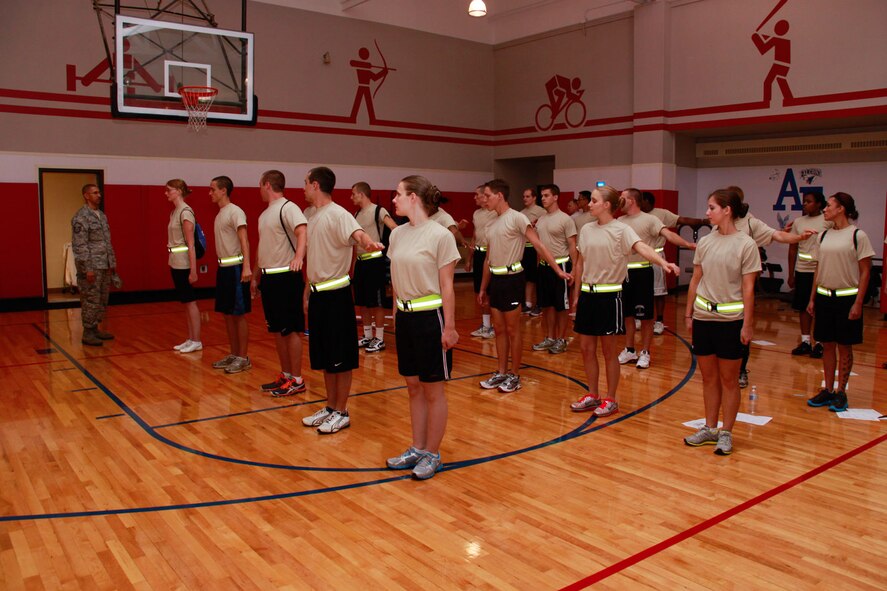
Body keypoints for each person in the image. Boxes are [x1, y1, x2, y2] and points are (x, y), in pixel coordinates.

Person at [570, 186, 678, 418]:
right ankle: (592, 395)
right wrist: (577, 294)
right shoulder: (587, 229)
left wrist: (663, 263)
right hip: (588, 295)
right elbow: (580, 263)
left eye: (594, 201)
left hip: (610, 297)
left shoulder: (621, 230)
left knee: (609, 352)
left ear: (607, 205)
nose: (589, 204)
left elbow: (642, 248)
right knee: (586, 349)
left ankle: (611, 398)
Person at [385, 175, 460, 480]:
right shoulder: (397, 235)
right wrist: (395, 319)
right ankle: (417, 447)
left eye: (398, 194)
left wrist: (450, 327)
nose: (394, 200)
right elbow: (396, 280)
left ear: (413, 197)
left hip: (432, 319)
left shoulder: (440, 235)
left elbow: (447, 285)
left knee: (433, 389)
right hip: (405, 318)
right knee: (413, 386)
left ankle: (432, 453)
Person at [301, 166, 383, 434]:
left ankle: (342, 410)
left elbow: (358, 235)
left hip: (336, 296)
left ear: (315, 185)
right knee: (325, 357)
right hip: (317, 294)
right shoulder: (311, 216)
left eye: (305, 183)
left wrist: (368, 242)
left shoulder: (339, 214)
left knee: (340, 357)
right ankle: (330, 407)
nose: (303, 188)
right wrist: (307, 292)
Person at [682, 189, 760, 456]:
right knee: (708, 379)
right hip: (704, 319)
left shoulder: (746, 244)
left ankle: (726, 432)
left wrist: (747, 324)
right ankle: (709, 428)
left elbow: (749, 289)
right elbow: (696, 280)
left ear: (727, 210)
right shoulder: (705, 242)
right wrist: (688, 313)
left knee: (729, 380)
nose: (707, 213)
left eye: (711, 207)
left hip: (731, 321)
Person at [478, 179, 571, 393]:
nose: (485, 199)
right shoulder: (491, 224)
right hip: (496, 281)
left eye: (488, 195)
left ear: (499, 196)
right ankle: (501, 372)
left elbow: (539, 244)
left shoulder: (517, 218)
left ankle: (514, 374)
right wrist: (483, 288)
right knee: (499, 329)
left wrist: (557, 270)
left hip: (513, 280)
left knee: (512, 330)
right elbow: (487, 260)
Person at [725, 185, 813, 388]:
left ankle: (741, 371)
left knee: (741, 330)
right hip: (719, 287)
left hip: (741, 286)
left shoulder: (750, 223)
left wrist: (798, 238)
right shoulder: (717, 226)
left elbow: (777, 236)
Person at [806, 192, 874, 412]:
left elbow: (865, 272)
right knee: (826, 345)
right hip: (824, 297)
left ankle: (841, 392)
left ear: (841, 209)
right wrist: (812, 298)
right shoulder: (823, 236)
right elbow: (818, 268)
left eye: (829, 206)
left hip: (847, 298)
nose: (825, 209)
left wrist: (858, 302)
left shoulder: (858, 235)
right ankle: (828, 389)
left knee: (845, 346)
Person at [617, 188, 697, 369]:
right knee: (628, 315)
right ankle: (630, 349)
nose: (619, 201)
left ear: (631, 200)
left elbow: (668, 235)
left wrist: (687, 244)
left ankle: (645, 352)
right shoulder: (619, 222)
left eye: (622, 198)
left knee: (645, 316)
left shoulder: (650, 219)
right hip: (624, 274)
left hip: (643, 272)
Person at [252, 170, 308, 396]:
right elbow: (262, 247)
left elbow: (302, 231)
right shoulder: (265, 214)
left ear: (267, 185)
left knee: (292, 330)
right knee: (277, 330)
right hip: (269, 278)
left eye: (259, 185)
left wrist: (299, 257)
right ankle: (285, 376)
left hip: (287, 277)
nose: (258, 190)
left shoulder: (289, 207)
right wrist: (256, 276)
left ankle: (297, 380)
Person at [638, 190, 708, 335]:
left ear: (647, 201)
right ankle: (640, 317)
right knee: (640, 292)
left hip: (656, 255)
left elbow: (682, 220)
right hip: (639, 257)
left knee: (658, 292)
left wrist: (703, 222)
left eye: (641, 200)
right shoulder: (636, 216)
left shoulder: (661, 214)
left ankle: (659, 321)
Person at [210, 176, 252, 374]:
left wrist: (246, 267)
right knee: (228, 314)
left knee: (238, 314)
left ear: (223, 190)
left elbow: (245, 240)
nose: (210, 193)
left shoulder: (236, 212)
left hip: (236, 269)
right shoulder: (220, 214)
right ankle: (234, 354)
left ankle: (243, 357)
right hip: (223, 270)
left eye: (213, 189)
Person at [351, 181, 397, 353]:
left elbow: (394, 227)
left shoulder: (379, 210)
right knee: (362, 302)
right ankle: (368, 335)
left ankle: (380, 338)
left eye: (353, 193)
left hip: (375, 263)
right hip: (361, 263)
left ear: (362, 194)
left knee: (376, 303)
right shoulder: (355, 214)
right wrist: (353, 267)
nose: (352, 197)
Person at [531, 184, 577, 355]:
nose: (543, 198)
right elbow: (539, 246)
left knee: (561, 306)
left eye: (546, 195)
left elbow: (572, 246)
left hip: (562, 266)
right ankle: (550, 337)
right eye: (542, 196)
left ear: (556, 197)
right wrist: (538, 265)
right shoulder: (541, 220)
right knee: (547, 305)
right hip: (544, 268)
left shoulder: (566, 219)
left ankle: (561, 339)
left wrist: (573, 271)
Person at [71, 184, 117, 347]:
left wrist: (112, 264)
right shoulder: (81, 217)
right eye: (95, 193)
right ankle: (88, 332)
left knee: (102, 298)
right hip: (92, 266)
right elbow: (80, 245)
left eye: (99, 192)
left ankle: (96, 327)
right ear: (86, 195)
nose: (99, 195)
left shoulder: (101, 216)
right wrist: (87, 268)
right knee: (91, 298)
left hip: (104, 265)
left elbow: (106, 242)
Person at [788, 191, 830, 358]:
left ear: (819, 204)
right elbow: (792, 248)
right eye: (804, 201)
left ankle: (819, 342)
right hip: (803, 270)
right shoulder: (798, 222)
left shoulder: (828, 222)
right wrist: (791, 274)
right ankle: (806, 341)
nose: (805, 204)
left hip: (821, 270)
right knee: (803, 307)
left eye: (809, 201)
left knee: (819, 307)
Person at [166, 179, 202, 353]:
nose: (166, 193)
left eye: (169, 190)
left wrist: (193, 270)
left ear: (179, 191)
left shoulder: (186, 212)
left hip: (184, 263)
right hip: (175, 260)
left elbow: (191, 243)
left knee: (190, 301)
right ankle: (190, 338)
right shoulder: (174, 212)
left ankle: (196, 340)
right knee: (185, 302)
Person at [467, 185, 498, 339]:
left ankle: (494, 325)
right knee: (480, 291)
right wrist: (469, 258)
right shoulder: (476, 213)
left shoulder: (495, 213)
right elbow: (474, 235)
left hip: (490, 254)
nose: (475, 198)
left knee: (490, 291)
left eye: (477, 195)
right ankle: (485, 325)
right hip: (479, 254)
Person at [520, 187, 547, 315]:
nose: (525, 199)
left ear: (534, 197)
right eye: (524, 196)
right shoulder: (521, 213)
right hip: (524, 248)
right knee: (527, 277)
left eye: (528, 196)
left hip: (535, 248)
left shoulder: (541, 212)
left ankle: (540, 304)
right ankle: (528, 303)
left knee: (537, 277)